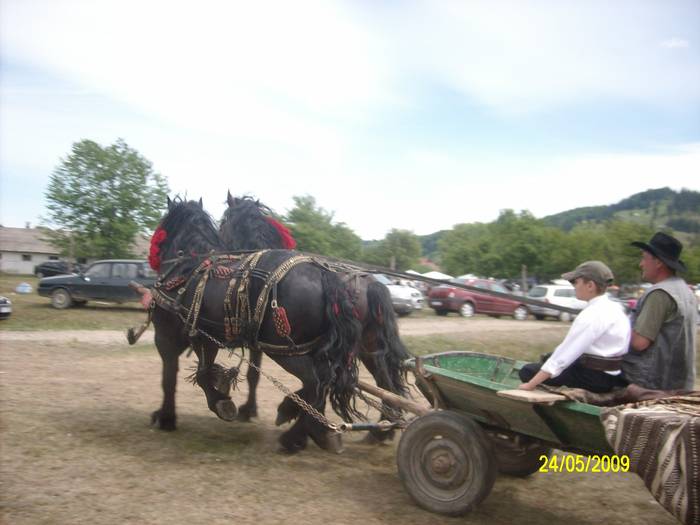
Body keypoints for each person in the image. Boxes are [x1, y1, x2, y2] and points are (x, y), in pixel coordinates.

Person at [519, 261, 630, 393]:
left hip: (593, 379)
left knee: (527, 371)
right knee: (549, 360)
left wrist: (531, 384)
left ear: (590, 285)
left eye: (576, 282)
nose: (574, 287)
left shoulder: (592, 314)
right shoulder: (616, 308)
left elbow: (564, 355)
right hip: (613, 375)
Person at [621, 232, 697, 390]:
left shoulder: (660, 294)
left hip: (649, 382)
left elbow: (639, 343)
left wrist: (617, 325)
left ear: (658, 263)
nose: (641, 264)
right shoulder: (685, 290)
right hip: (679, 382)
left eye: (644, 258)